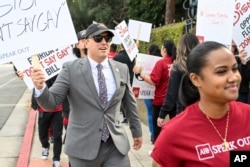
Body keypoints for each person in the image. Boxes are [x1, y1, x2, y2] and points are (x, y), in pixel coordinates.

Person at [31, 23, 142, 167]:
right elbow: (51, 102)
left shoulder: (122, 69)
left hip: (115, 146)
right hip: (82, 147)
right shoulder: (70, 69)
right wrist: (40, 88)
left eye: (107, 38)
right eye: (98, 38)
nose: (104, 42)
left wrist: (136, 130)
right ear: (86, 42)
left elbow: (129, 103)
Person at [151, 41, 250, 166]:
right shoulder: (174, 133)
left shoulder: (248, 115)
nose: (234, 77)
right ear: (196, 79)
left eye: (235, 69)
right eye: (221, 71)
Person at [133, 40, 175, 143]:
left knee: (157, 128)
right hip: (174, 100)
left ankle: (158, 148)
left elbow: (154, 80)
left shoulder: (161, 63)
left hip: (160, 99)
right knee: (175, 126)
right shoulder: (175, 61)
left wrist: (140, 74)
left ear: (164, 50)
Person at [157, 33, 199, 128]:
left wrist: (162, 114)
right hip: (202, 111)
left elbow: (172, 94)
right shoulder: (201, 66)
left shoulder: (178, 67)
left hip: (184, 112)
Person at [31, 75, 63, 167]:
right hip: (43, 110)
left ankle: (56, 159)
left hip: (57, 109)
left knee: (57, 136)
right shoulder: (38, 72)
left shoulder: (59, 72)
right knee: (42, 135)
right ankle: (45, 146)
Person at [113, 44, 136, 124]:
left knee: (121, 99)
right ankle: (130, 117)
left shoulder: (117, 57)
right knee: (130, 99)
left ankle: (125, 116)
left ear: (121, 46)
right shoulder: (133, 57)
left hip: (120, 79)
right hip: (131, 79)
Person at [144, 44, 161, 144]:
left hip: (147, 90)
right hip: (159, 92)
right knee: (159, 114)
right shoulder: (162, 61)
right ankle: (159, 134)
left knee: (150, 113)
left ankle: (153, 134)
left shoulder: (145, 60)